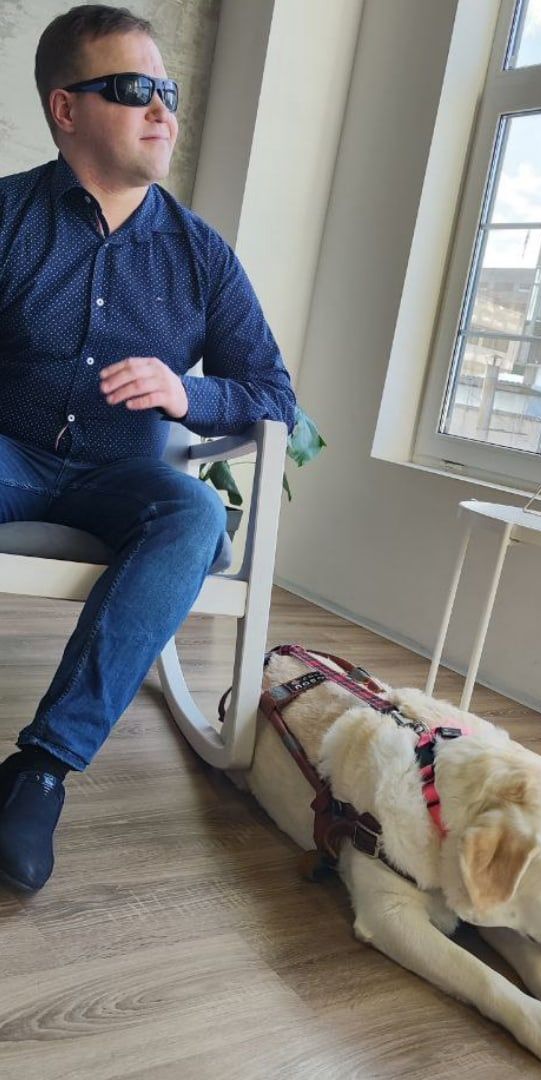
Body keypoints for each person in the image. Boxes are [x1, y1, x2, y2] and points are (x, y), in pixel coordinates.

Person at [0, 4, 296, 892]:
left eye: (167, 89)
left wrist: (188, 393)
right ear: (66, 108)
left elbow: (275, 398)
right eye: (135, 89)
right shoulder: (8, 216)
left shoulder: (202, 256)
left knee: (194, 515)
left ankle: (41, 771)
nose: (163, 109)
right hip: (11, 450)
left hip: (121, 475)